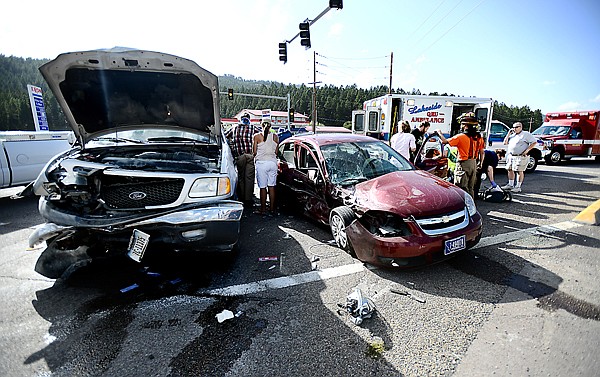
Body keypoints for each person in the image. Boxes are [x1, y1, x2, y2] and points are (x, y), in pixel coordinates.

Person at [435, 113, 484, 199]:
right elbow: (482, 152)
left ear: (466, 126)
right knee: (470, 187)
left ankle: (462, 206)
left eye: (462, 124)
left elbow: (445, 141)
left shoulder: (461, 137)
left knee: (461, 186)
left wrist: (439, 133)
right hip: (473, 163)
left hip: (463, 164)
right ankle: (470, 205)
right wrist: (480, 163)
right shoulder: (479, 137)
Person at [225, 113, 262, 207]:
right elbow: (262, 136)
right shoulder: (253, 128)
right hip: (250, 156)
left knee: (241, 177)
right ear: (249, 119)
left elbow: (225, 137)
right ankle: (248, 199)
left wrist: (233, 145)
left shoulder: (234, 128)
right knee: (249, 178)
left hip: (239, 156)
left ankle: (241, 198)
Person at [501, 122, 538, 193]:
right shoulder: (513, 135)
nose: (514, 129)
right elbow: (505, 143)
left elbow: (534, 142)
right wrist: (508, 133)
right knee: (510, 169)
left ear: (520, 127)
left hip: (520, 156)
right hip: (511, 155)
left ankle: (518, 186)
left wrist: (527, 151)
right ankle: (510, 184)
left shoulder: (525, 134)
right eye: (513, 127)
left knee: (519, 171)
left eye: (516, 127)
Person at [253, 121, 279, 215]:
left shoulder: (257, 136)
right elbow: (276, 152)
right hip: (273, 163)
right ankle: (272, 209)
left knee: (263, 187)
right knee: (271, 186)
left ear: (261, 125)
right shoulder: (276, 137)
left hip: (262, 163)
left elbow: (254, 151)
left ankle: (263, 209)